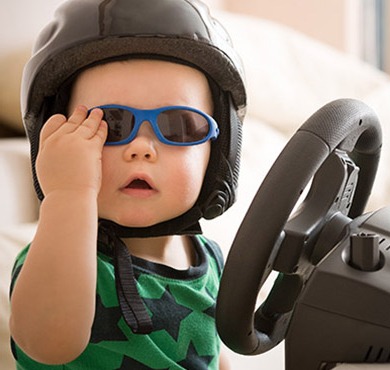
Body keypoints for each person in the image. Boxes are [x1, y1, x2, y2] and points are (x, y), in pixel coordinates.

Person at [9, 0, 246, 369]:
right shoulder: (56, 259)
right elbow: (49, 343)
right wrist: (68, 194)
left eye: (179, 125)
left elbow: (213, 353)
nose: (140, 148)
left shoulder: (211, 260)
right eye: (112, 124)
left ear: (219, 155)